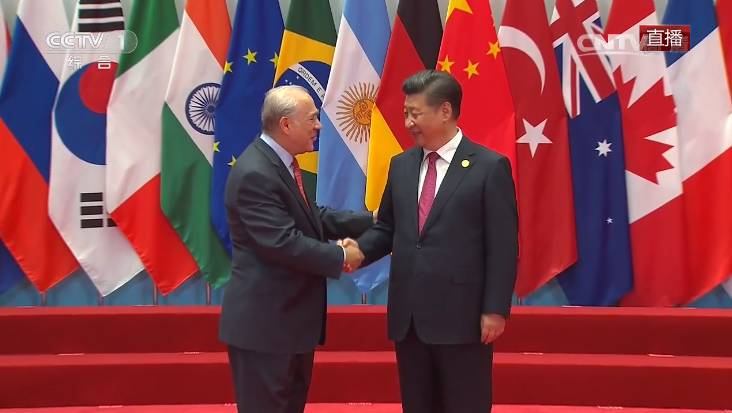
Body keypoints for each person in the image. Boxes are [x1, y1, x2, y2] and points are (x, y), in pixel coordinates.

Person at [351, 70, 519, 413]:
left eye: (415, 113)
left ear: (445, 111)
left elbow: (503, 247)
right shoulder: (401, 165)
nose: (408, 122)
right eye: (405, 113)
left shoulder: (489, 167)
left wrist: (495, 309)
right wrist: (356, 252)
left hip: (463, 317)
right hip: (409, 318)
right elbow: (388, 228)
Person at [219, 85, 373, 413]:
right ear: (286, 124)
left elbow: (312, 218)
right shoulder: (256, 173)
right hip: (266, 328)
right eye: (312, 118)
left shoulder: (278, 164)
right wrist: (342, 255)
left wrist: (372, 220)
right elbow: (283, 243)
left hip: (287, 326)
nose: (319, 126)